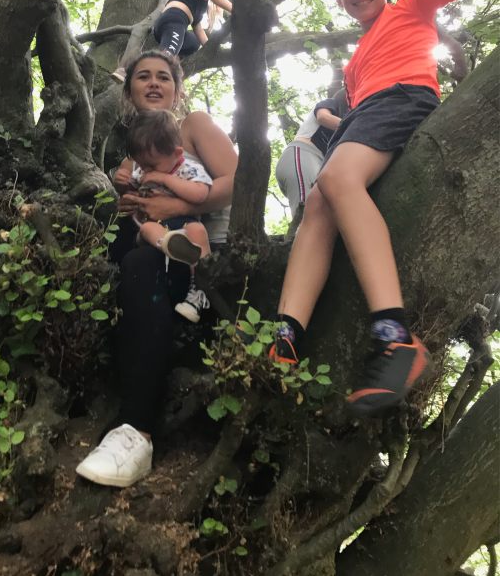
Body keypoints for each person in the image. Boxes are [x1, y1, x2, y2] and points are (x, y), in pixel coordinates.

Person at [270, 0, 500, 417]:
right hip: (362, 117)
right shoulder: (352, 66)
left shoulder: (413, 7)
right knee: (317, 210)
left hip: (402, 98)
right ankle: (284, 341)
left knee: (336, 178)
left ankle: (396, 338)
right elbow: (347, 116)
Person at [76, 50, 237, 487]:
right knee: (129, 253)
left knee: (142, 259)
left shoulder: (195, 127)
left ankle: (136, 431)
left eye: (163, 77)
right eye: (142, 76)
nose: (152, 83)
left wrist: (173, 203)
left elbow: (237, 183)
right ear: (128, 91)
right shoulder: (132, 154)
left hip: (201, 249)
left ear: (177, 89)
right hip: (151, 245)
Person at [125, 109, 213, 322]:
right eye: (141, 165)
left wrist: (165, 179)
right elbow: (133, 192)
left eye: (151, 165)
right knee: (146, 229)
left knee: (198, 231)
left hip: (184, 223)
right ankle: (169, 243)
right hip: (156, 227)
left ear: (177, 153)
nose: (145, 170)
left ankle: (200, 290)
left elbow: (200, 194)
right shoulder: (143, 171)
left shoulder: (188, 169)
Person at [275, 90, 348, 218]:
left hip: (315, 164)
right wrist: (356, 127)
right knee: (307, 213)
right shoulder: (330, 103)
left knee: (319, 213)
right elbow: (323, 117)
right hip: (302, 154)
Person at [153, 0, 232, 59]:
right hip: (174, 22)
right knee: (166, 58)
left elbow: (198, 29)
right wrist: (236, 10)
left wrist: (210, 49)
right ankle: (159, 65)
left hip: (168, 26)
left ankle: (175, 64)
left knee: (193, 42)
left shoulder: (197, 2)